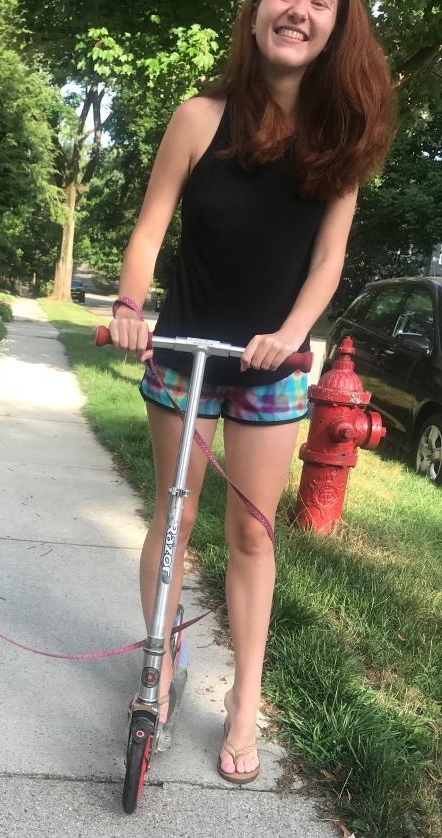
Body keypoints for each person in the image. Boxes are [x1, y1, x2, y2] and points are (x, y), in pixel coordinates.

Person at [109, 0, 395, 783]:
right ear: (254, 11)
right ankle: (159, 667)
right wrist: (130, 308)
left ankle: (243, 703)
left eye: (320, 1)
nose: (296, 10)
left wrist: (295, 332)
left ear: (340, 25)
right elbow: (147, 230)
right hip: (185, 354)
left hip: (273, 369)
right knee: (175, 513)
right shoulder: (200, 116)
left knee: (252, 535)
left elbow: (330, 258)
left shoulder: (343, 137)